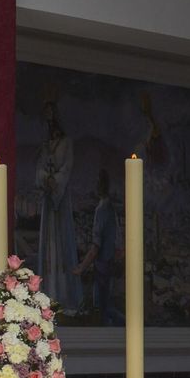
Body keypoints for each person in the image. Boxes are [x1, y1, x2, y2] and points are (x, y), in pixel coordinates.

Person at [34, 98, 78, 310]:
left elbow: (67, 166)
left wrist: (56, 180)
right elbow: (39, 169)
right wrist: (45, 178)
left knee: (61, 245)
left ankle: (63, 295)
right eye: (46, 119)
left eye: (52, 118)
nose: (49, 123)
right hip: (48, 202)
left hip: (60, 201)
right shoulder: (45, 146)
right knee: (49, 247)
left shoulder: (66, 142)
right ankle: (48, 295)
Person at [75, 167, 123, 323]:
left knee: (102, 307)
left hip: (102, 265)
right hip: (108, 263)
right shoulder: (110, 209)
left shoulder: (101, 210)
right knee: (105, 305)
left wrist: (81, 267)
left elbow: (96, 245)